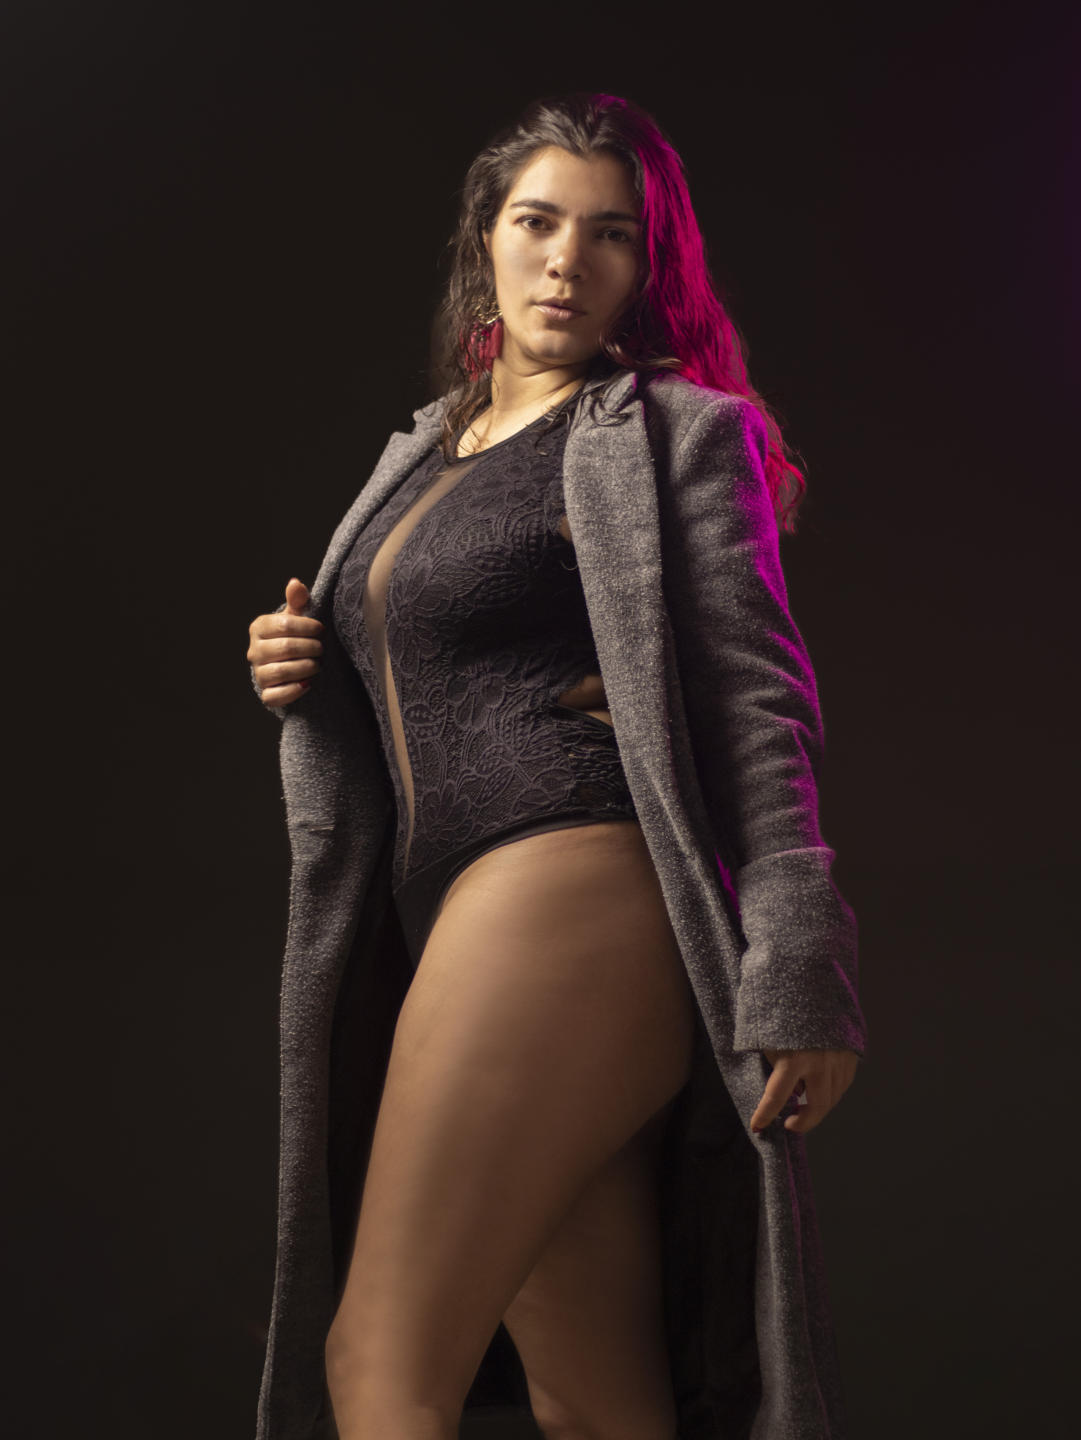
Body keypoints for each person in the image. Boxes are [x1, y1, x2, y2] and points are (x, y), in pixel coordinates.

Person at [246, 91, 867, 1440]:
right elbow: (418, 668)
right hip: (459, 916)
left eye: (610, 235)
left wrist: (801, 959)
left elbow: (758, 704)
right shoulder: (426, 447)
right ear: (487, 236)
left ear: (649, 266)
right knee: (594, 1403)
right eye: (536, 222)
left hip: (571, 886)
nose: (566, 260)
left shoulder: (672, 433)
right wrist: (306, 667)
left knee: (379, 1361)